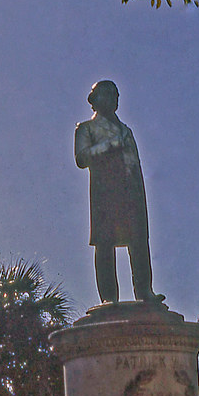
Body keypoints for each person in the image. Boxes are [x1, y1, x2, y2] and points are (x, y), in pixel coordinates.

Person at [74, 80, 163, 304]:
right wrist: (112, 144)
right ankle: (108, 299)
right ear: (95, 100)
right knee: (105, 242)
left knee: (139, 241)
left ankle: (145, 292)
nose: (113, 99)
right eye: (107, 94)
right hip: (105, 192)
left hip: (131, 192)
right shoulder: (86, 128)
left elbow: (135, 164)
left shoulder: (126, 130)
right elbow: (81, 158)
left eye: (115, 95)